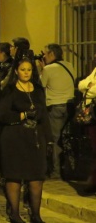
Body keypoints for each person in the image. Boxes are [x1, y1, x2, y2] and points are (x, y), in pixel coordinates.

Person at [0, 52, 53, 223]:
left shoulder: (37, 90)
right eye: (23, 69)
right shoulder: (9, 90)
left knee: (36, 177)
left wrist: (49, 139)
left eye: (29, 69)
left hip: (35, 139)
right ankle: (14, 214)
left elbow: (44, 116)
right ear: (16, 71)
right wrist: (22, 115)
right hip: (14, 139)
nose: (26, 72)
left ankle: (36, 215)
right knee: (14, 176)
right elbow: (2, 115)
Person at [37, 43, 76, 179]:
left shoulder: (48, 69)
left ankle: (56, 172)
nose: (43, 56)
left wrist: (41, 70)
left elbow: (41, 85)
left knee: (55, 139)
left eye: (45, 54)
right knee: (67, 139)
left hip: (55, 107)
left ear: (52, 54)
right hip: (70, 106)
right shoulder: (69, 65)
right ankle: (70, 169)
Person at [77, 62, 96, 194]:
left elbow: (90, 91)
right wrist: (88, 86)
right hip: (93, 116)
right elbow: (81, 84)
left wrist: (88, 89)